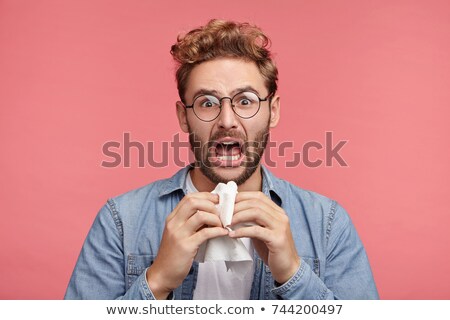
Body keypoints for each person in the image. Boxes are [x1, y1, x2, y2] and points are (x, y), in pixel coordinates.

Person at [65, 19, 378, 300]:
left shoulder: (328, 223)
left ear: (274, 111)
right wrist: (158, 280)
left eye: (245, 101)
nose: (227, 120)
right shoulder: (120, 221)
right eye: (207, 103)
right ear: (183, 117)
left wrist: (294, 275)